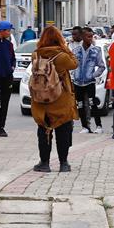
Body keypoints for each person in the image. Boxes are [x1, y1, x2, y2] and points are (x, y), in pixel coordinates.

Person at [30, 26, 78, 172]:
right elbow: (74, 64)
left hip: (41, 99)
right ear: (59, 38)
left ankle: (44, 163)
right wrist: (67, 49)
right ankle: (63, 163)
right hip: (60, 98)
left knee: (44, 131)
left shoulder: (36, 54)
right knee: (63, 130)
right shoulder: (62, 56)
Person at [71, 27, 106, 134]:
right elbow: (72, 65)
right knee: (80, 105)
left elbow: (101, 66)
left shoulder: (96, 50)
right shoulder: (75, 51)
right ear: (82, 37)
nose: (90, 38)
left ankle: (98, 126)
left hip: (89, 82)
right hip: (77, 82)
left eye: (91, 36)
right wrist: (73, 74)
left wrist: (93, 75)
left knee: (92, 103)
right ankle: (85, 127)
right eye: (88, 36)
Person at [0, 21, 16, 137]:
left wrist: (12, 67)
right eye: (8, 30)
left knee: (5, 104)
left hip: (7, 78)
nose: (9, 33)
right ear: (1, 31)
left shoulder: (9, 44)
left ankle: (1, 128)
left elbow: (13, 59)